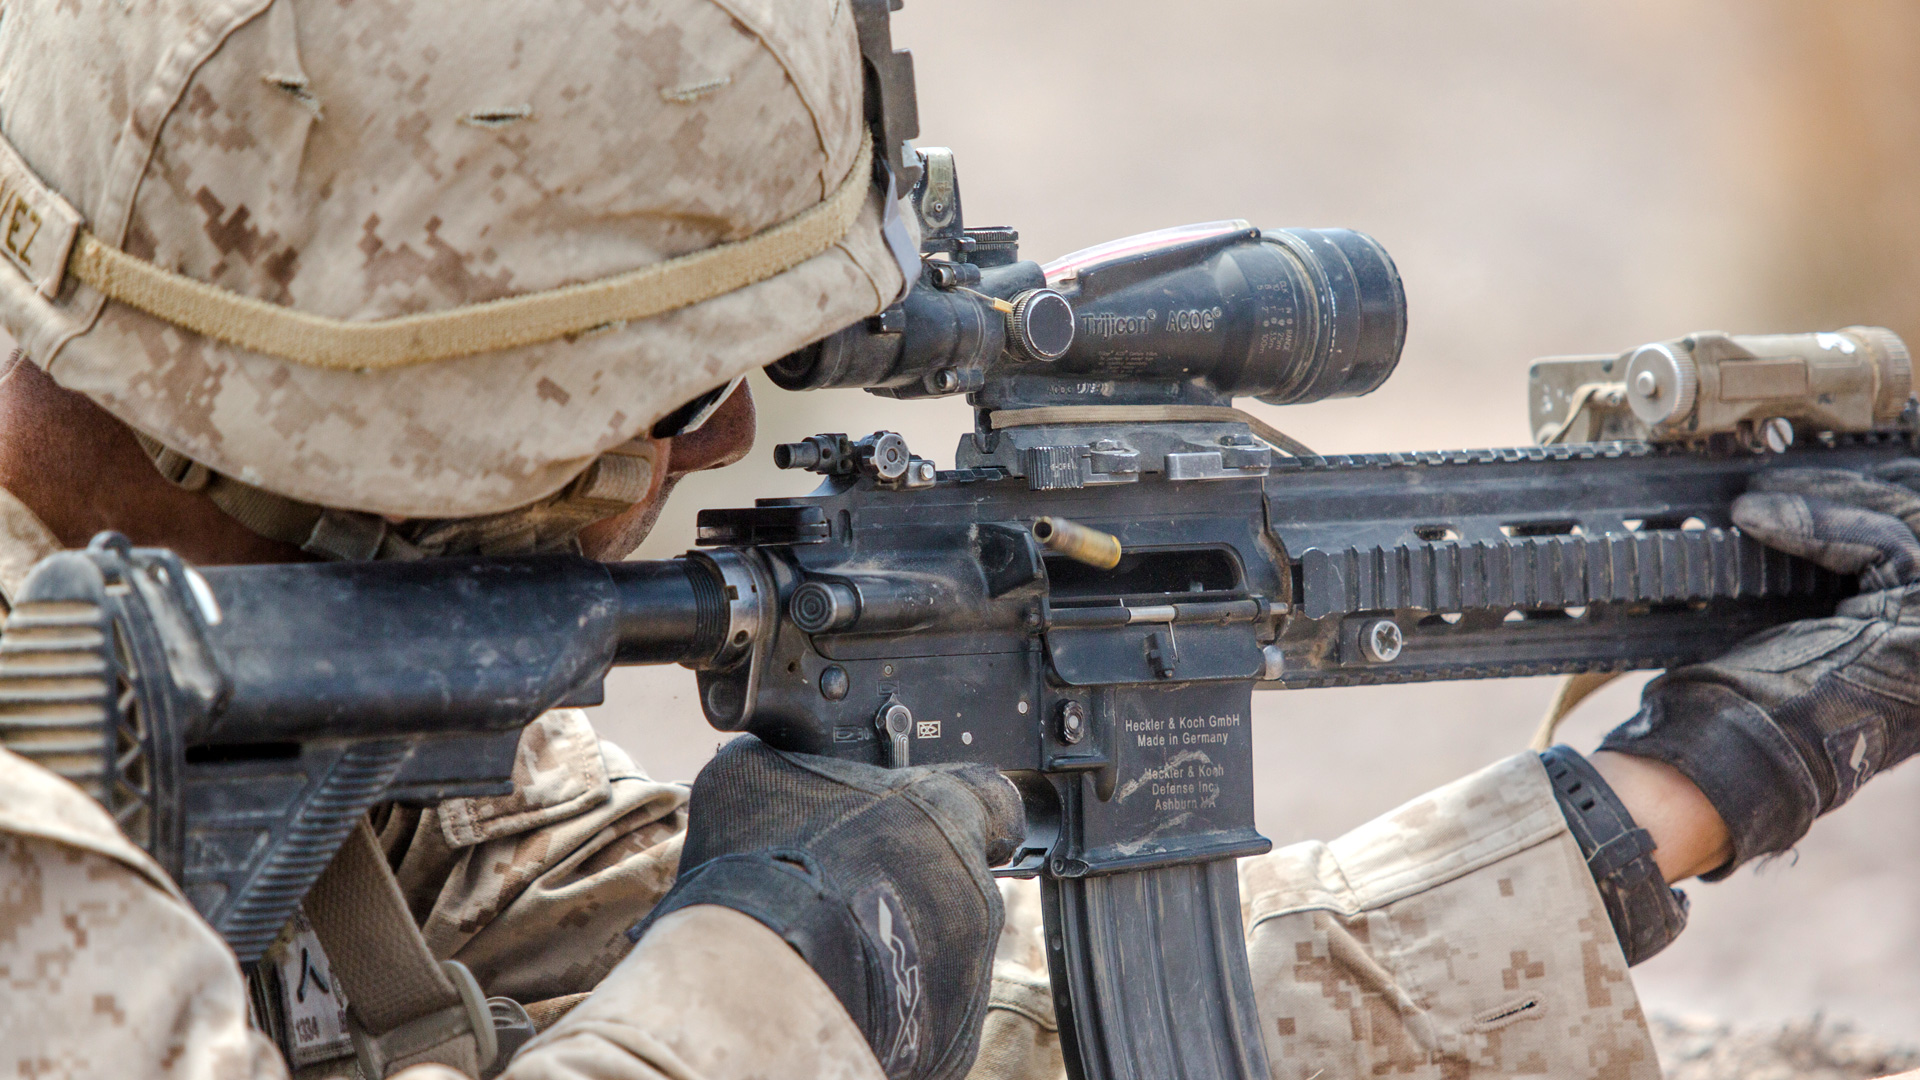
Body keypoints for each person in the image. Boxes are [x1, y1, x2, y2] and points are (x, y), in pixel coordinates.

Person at [0, 4, 1915, 1080]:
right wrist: (784, 959)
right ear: (385, 415)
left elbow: (994, 1029)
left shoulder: (256, 657)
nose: (731, 433)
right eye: (664, 389)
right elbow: (786, 1009)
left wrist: (1680, 790)